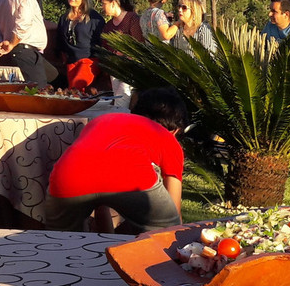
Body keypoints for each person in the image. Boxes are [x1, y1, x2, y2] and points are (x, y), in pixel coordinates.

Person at [44, 88, 189, 234]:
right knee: (167, 232)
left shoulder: (102, 120)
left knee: (59, 239)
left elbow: (100, 203)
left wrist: (108, 239)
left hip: (68, 176)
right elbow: (175, 209)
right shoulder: (167, 138)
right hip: (132, 177)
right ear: (176, 131)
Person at [57, 0, 106, 90]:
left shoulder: (94, 18)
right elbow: (60, 38)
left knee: (75, 89)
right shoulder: (64, 17)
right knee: (75, 94)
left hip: (88, 60)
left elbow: (101, 41)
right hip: (71, 61)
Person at [100, 0, 143, 107]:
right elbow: (105, 46)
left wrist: (125, 54)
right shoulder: (108, 25)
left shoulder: (132, 19)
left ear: (113, 3)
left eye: (104, 3)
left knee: (122, 97)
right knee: (117, 98)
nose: (102, 6)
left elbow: (139, 43)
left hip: (131, 66)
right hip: (115, 68)